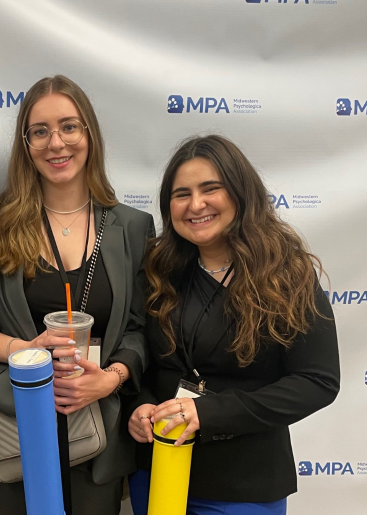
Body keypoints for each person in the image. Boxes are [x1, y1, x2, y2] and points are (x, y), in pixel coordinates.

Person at [0, 75, 154, 515]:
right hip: (14, 436)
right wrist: (24, 351)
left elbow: (140, 331)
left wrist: (110, 378)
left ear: (89, 134)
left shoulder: (132, 227)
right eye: (40, 131)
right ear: (26, 144)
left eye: (69, 127)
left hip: (98, 436)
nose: (55, 143)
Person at [128, 135, 340, 515]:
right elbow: (145, 361)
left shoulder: (286, 274)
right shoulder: (158, 271)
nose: (196, 205)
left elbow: (317, 381)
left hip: (244, 483)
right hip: (158, 469)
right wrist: (141, 405)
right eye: (182, 194)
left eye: (211, 189)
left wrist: (207, 414)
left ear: (241, 193)